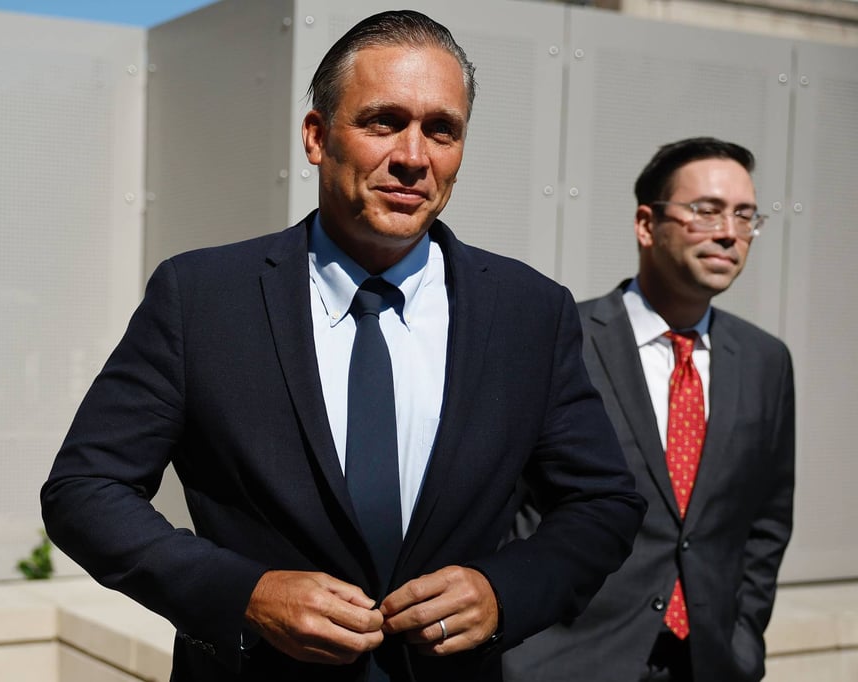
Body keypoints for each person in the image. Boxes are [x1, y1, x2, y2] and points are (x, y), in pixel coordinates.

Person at [41, 10, 645, 682]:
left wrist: (507, 589)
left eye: (441, 129)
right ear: (317, 136)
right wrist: (244, 595)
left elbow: (603, 502)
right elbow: (85, 490)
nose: (414, 157)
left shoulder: (530, 311)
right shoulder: (203, 297)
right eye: (384, 121)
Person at [503, 137, 795, 682]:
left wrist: (744, 637)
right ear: (646, 224)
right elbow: (503, 507)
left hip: (708, 660)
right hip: (566, 660)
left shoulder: (766, 361)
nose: (729, 233)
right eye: (706, 212)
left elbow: (766, 521)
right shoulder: (560, 338)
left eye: (745, 216)